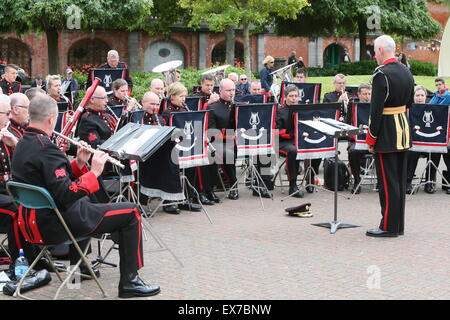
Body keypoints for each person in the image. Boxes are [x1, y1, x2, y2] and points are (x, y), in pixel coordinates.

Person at [11, 94, 160, 298]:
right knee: (131, 212)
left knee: (87, 200)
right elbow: (66, 194)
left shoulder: (22, 144)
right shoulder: (47, 149)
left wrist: (79, 163)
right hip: (56, 226)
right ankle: (130, 282)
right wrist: (94, 172)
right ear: (51, 119)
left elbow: (52, 182)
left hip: (31, 223)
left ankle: (77, 271)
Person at [365, 35, 414, 238]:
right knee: (399, 182)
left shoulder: (380, 75)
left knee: (387, 183)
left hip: (386, 133)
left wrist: (371, 139)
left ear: (381, 50)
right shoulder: (406, 71)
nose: (374, 55)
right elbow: (410, 103)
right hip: (403, 129)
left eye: (375, 51)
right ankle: (398, 225)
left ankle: (388, 226)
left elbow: (376, 112)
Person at [162, 82, 203, 211]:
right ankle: (170, 201)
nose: (184, 99)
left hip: (186, 147)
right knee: (173, 172)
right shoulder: (167, 113)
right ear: (172, 96)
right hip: (173, 149)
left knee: (190, 170)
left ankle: (187, 199)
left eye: (185, 96)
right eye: (181, 96)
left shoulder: (185, 110)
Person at [406, 85, 445, 194]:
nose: (419, 98)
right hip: (413, 142)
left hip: (428, 142)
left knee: (435, 152)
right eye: (417, 95)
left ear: (426, 97)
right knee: (412, 152)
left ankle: (429, 182)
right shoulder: (408, 109)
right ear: (413, 97)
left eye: (422, 95)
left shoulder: (432, 109)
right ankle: (407, 182)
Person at [207, 78, 239, 200]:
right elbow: (212, 132)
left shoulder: (239, 106)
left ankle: (261, 185)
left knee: (264, 149)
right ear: (220, 90)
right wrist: (230, 135)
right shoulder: (213, 108)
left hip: (241, 140)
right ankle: (233, 185)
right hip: (221, 142)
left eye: (233, 90)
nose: (232, 93)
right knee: (228, 152)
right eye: (228, 90)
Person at [276, 85, 304, 199]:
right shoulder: (280, 111)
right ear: (285, 97)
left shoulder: (302, 110)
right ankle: (293, 185)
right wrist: (291, 134)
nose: (294, 99)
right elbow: (276, 131)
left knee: (313, 145)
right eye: (291, 96)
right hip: (283, 142)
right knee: (293, 150)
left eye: (296, 96)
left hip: (298, 140)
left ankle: (311, 180)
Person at [346, 84, 372, 194]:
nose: (367, 96)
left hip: (374, 141)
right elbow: (347, 126)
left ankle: (381, 182)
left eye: (369, 94)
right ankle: (357, 180)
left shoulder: (377, 106)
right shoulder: (353, 107)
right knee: (353, 151)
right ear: (359, 94)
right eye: (364, 94)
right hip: (357, 139)